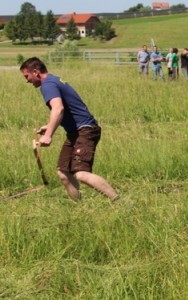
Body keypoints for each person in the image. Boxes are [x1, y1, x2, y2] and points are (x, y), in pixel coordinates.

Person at [20, 57, 119, 201]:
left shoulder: (47, 85)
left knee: (81, 174)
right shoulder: (54, 80)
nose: (27, 80)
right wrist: (50, 125)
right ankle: (79, 208)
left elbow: (58, 109)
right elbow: (68, 109)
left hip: (85, 130)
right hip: (76, 131)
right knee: (63, 173)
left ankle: (119, 202)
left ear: (35, 72)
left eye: (27, 76)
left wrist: (48, 135)